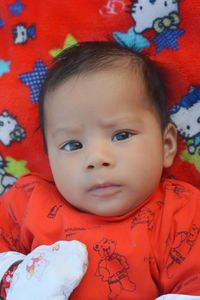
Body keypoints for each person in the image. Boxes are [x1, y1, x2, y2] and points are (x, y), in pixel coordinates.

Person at [0, 41, 200, 300]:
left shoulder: (182, 212)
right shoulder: (26, 202)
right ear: (50, 159)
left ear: (166, 145)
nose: (95, 159)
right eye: (72, 145)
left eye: (121, 135)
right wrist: (19, 278)